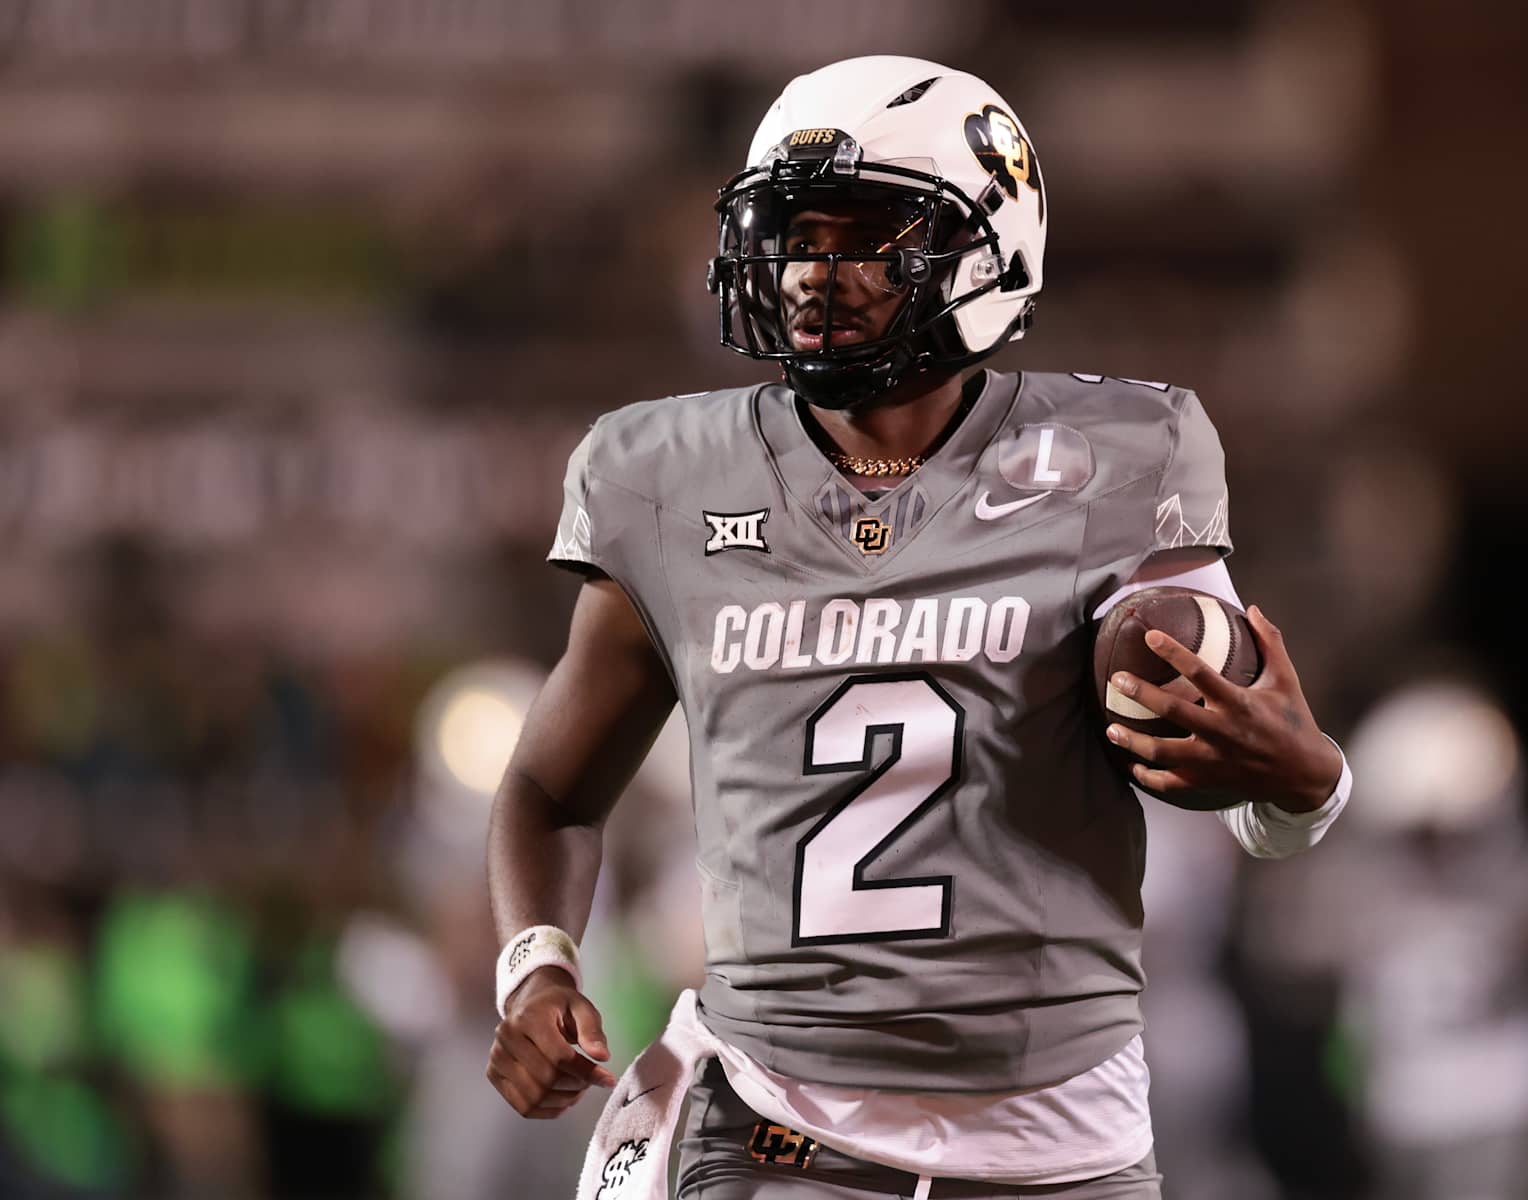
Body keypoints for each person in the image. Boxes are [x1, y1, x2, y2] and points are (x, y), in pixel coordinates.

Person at [485, 56, 1353, 1200]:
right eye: (795, 234)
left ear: (989, 246)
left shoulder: (1122, 454)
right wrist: (535, 971)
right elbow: (551, 789)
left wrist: (1304, 785)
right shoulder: (661, 476)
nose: (813, 271)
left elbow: (1234, 761)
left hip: (1062, 1145)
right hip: (772, 1130)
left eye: (865, 236)